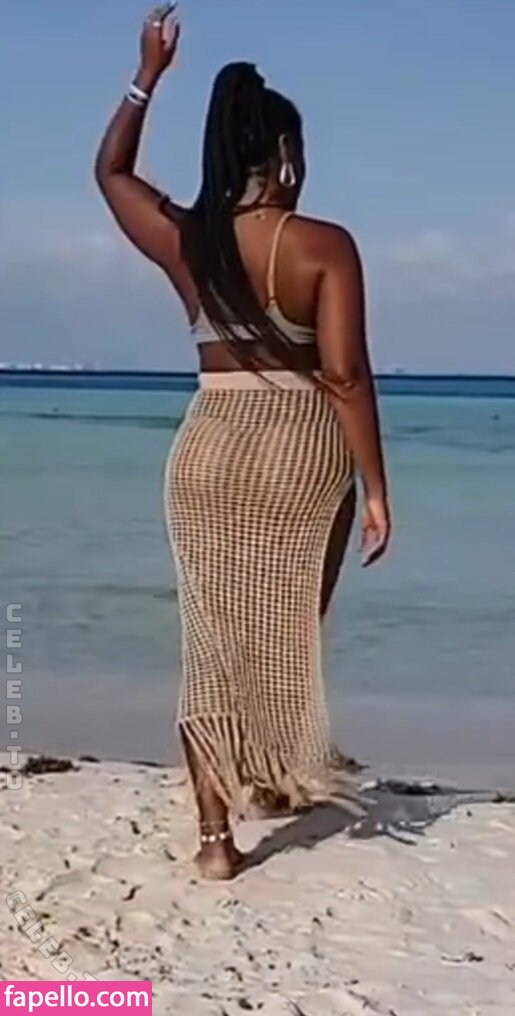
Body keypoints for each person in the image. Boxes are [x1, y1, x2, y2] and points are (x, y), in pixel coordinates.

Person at [95, 4, 391, 880]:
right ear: (285, 156)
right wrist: (376, 487)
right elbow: (345, 377)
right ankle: (270, 772)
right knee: (285, 628)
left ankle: (216, 837)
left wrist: (146, 75)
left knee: (211, 643)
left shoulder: (188, 239)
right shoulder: (323, 245)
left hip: (210, 445)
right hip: (300, 451)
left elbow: (111, 171)